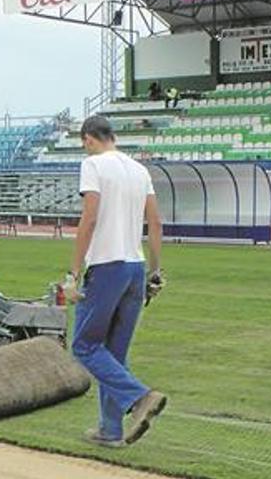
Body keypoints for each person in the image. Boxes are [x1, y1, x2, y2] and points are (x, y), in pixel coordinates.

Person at [64, 115, 166, 448]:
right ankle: (110, 429)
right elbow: (155, 222)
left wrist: (73, 274)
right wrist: (155, 272)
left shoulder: (92, 165)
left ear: (89, 139)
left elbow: (89, 218)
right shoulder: (140, 170)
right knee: (113, 354)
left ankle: (140, 398)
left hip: (106, 266)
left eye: (85, 144)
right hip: (134, 268)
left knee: (84, 346)